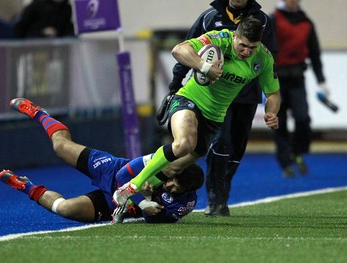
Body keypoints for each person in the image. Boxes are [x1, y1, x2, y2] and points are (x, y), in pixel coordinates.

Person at [113, 16, 281, 207]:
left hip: (214, 117)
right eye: (243, 45)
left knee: (174, 167)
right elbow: (179, 50)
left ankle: (134, 201)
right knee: (184, 143)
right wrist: (204, 66)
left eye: (252, 47)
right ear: (235, 36)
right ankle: (129, 187)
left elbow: (273, 93)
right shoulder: (219, 39)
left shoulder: (263, 58)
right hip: (189, 100)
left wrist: (271, 112)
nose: (247, 51)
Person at [158, 0, 278, 217]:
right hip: (213, 95)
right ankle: (215, 199)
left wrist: (271, 104)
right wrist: (174, 86)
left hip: (246, 96)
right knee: (220, 144)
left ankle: (222, 191)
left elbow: (269, 61)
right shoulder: (210, 17)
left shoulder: (263, 22)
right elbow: (188, 47)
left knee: (236, 150)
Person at [0, 98, 204, 224]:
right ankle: (39, 113)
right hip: (112, 171)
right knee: (60, 147)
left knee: (65, 209)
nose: (169, 187)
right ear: (174, 171)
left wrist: (146, 205)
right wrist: (143, 199)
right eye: (171, 182)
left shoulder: (185, 202)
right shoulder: (161, 164)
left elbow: (157, 218)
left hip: (113, 204)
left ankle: (25, 186)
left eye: (174, 189)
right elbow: (123, 175)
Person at [270, 0, 330, 178]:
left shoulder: (306, 22)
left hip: (297, 79)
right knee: (278, 122)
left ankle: (297, 151)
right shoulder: (273, 20)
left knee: (302, 118)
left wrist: (321, 81)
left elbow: (314, 53)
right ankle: (285, 162)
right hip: (275, 80)